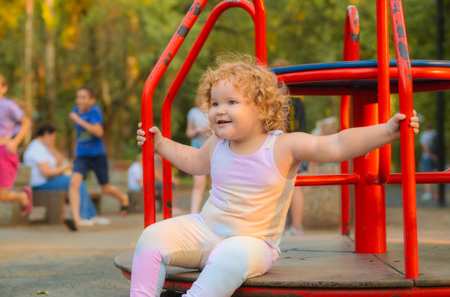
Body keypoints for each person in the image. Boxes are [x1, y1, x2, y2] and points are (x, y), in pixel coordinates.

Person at [132, 57, 420, 297]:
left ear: (260, 107)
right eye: (215, 103)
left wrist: (387, 131)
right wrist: (161, 145)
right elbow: (194, 162)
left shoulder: (282, 146)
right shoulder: (216, 143)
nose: (219, 110)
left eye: (231, 102)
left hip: (253, 242)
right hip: (207, 229)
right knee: (153, 235)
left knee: (228, 259)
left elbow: (335, 145)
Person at [23, 123, 109, 229]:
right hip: (42, 183)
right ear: (46, 134)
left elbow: (58, 161)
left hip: (49, 180)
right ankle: (85, 215)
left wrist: (53, 148)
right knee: (78, 182)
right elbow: (47, 173)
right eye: (53, 137)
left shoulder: (45, 147)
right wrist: (64, 169)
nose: (54, 140)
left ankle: (91, 215)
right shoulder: (37, 148)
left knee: (79, 181)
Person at [68, 86, 129, 229]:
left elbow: (98, 132)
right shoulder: (75, 112)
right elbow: (79, 136)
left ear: (92, 100)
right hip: (82, 155)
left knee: (105, 189)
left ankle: (123, 197)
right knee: (74, 183)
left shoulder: (94, 111)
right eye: (78, 97)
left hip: (97, 155)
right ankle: (76, 219)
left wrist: (78, 120)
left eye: (83, 98)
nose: (80, 101)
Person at [272, 59, 307, 236]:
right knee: (292, 187)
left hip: (285, 145)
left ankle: (292, 225)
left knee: (285, 187)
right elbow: (302, 125)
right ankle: (294, 226)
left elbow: (284, 124)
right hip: (298, 143)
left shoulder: (281, 100)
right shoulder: (299, 98)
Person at [0, 74, 33, 217]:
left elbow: (26, 122)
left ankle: (23, 197)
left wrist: (15, 141)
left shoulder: (8, 106)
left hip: (4, 152)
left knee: (3, 196)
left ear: (4, 88)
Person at [186, 105, 210, 213]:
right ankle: (193, 213)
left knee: (215, 184)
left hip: (213, 147)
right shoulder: (193, 112)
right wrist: (196, 131)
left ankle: (212, 212)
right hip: (197, 149)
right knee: (198, 183)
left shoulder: (215, 108)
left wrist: (207, 129)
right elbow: (189, 132)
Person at [420, 122, 438, 201]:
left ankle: (428, 193)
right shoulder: (435, 134)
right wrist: (435, 156)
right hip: (436, 157)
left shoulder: (425, 134)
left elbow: (424, 146)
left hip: (427, 157)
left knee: (426, 175)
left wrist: (431, 155)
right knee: (436, 175)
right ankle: (436, 194)